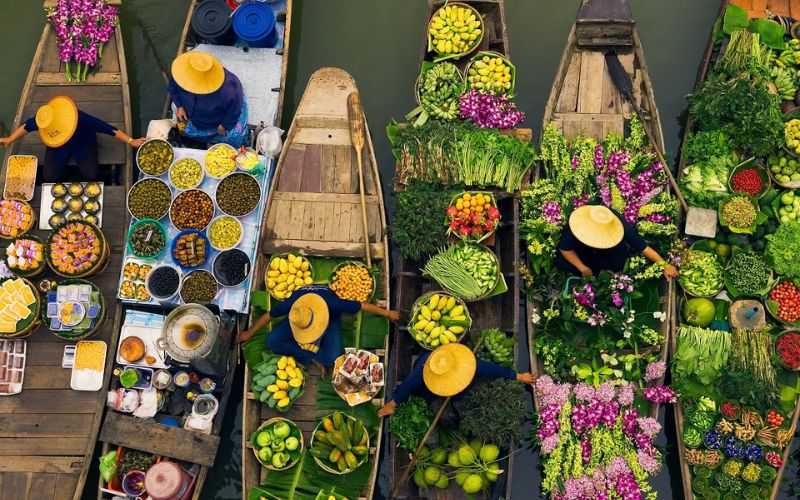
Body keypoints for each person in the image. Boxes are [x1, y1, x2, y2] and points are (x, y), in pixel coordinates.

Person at [236, 285, 399, 377]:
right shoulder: (293, 306)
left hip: (330, 317)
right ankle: (313, 357)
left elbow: (361, 305)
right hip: (301, 316)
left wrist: (387, 313)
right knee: (272, 341)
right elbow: (269, 315)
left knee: (333, 359)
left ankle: (312, 355)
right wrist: (249, 333)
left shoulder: (333, 304)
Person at [0, 95, 144, 182]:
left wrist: (131, 141)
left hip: (82, 143)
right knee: (49, 176)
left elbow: (108, 128)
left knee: (92, 174)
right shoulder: (45, 119)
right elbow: (26, 126)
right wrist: (10, 139)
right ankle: (67, 172)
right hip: (58, 145)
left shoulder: (80, 118)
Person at [377, 343, 535, 417]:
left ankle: (456, 397)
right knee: (429, 398)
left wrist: (519, 376)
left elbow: (491, 369)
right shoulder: (421, 372)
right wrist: (392, 405)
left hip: (453, 376)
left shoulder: (465, 363)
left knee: (462, 394)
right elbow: (407, 386)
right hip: (428, 388)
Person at [555, 205, 678, 279]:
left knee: (616, 262)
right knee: (563, 261)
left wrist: (665, 265)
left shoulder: (619, 225)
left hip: (608, 251)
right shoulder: (577, 223)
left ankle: (607, 276)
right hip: (581, 250)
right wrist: (583, 268)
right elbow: (565, 248)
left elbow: (642, 247)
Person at [167, 51, 248, 147]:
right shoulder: (180, 74)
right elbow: (173, 88)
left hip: (215, 120)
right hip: (195, 117)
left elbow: (234, 109)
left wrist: (224, 125)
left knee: (234, 137)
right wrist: (180, 106)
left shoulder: (227, 89)